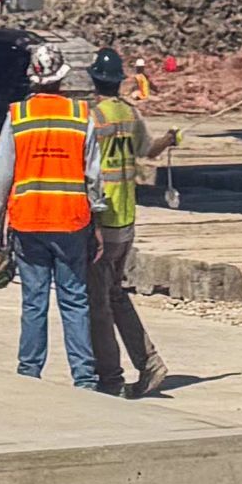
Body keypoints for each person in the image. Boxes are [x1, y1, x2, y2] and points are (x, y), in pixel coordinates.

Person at [0, 40, 104, 388]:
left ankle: (29, 374)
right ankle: (84, 378)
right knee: (74, 301)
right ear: (63, 78)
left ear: (33, 79)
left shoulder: (18, 116)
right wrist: (95, 221)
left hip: (28, 221)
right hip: (71, 221)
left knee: (34, 302)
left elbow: (1, 176)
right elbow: (93, 177)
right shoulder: (82, 116)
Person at [84, 45, 170, 399]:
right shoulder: (130, 115)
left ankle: (110, 377)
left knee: (97, 303)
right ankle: (149, 362)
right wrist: (169, 139)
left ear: (93, 80)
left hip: (102, 221)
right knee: (116, 294)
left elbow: (87, 172)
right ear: (119, 81)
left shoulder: (93, 117)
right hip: (127, 219)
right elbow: (147, 151)